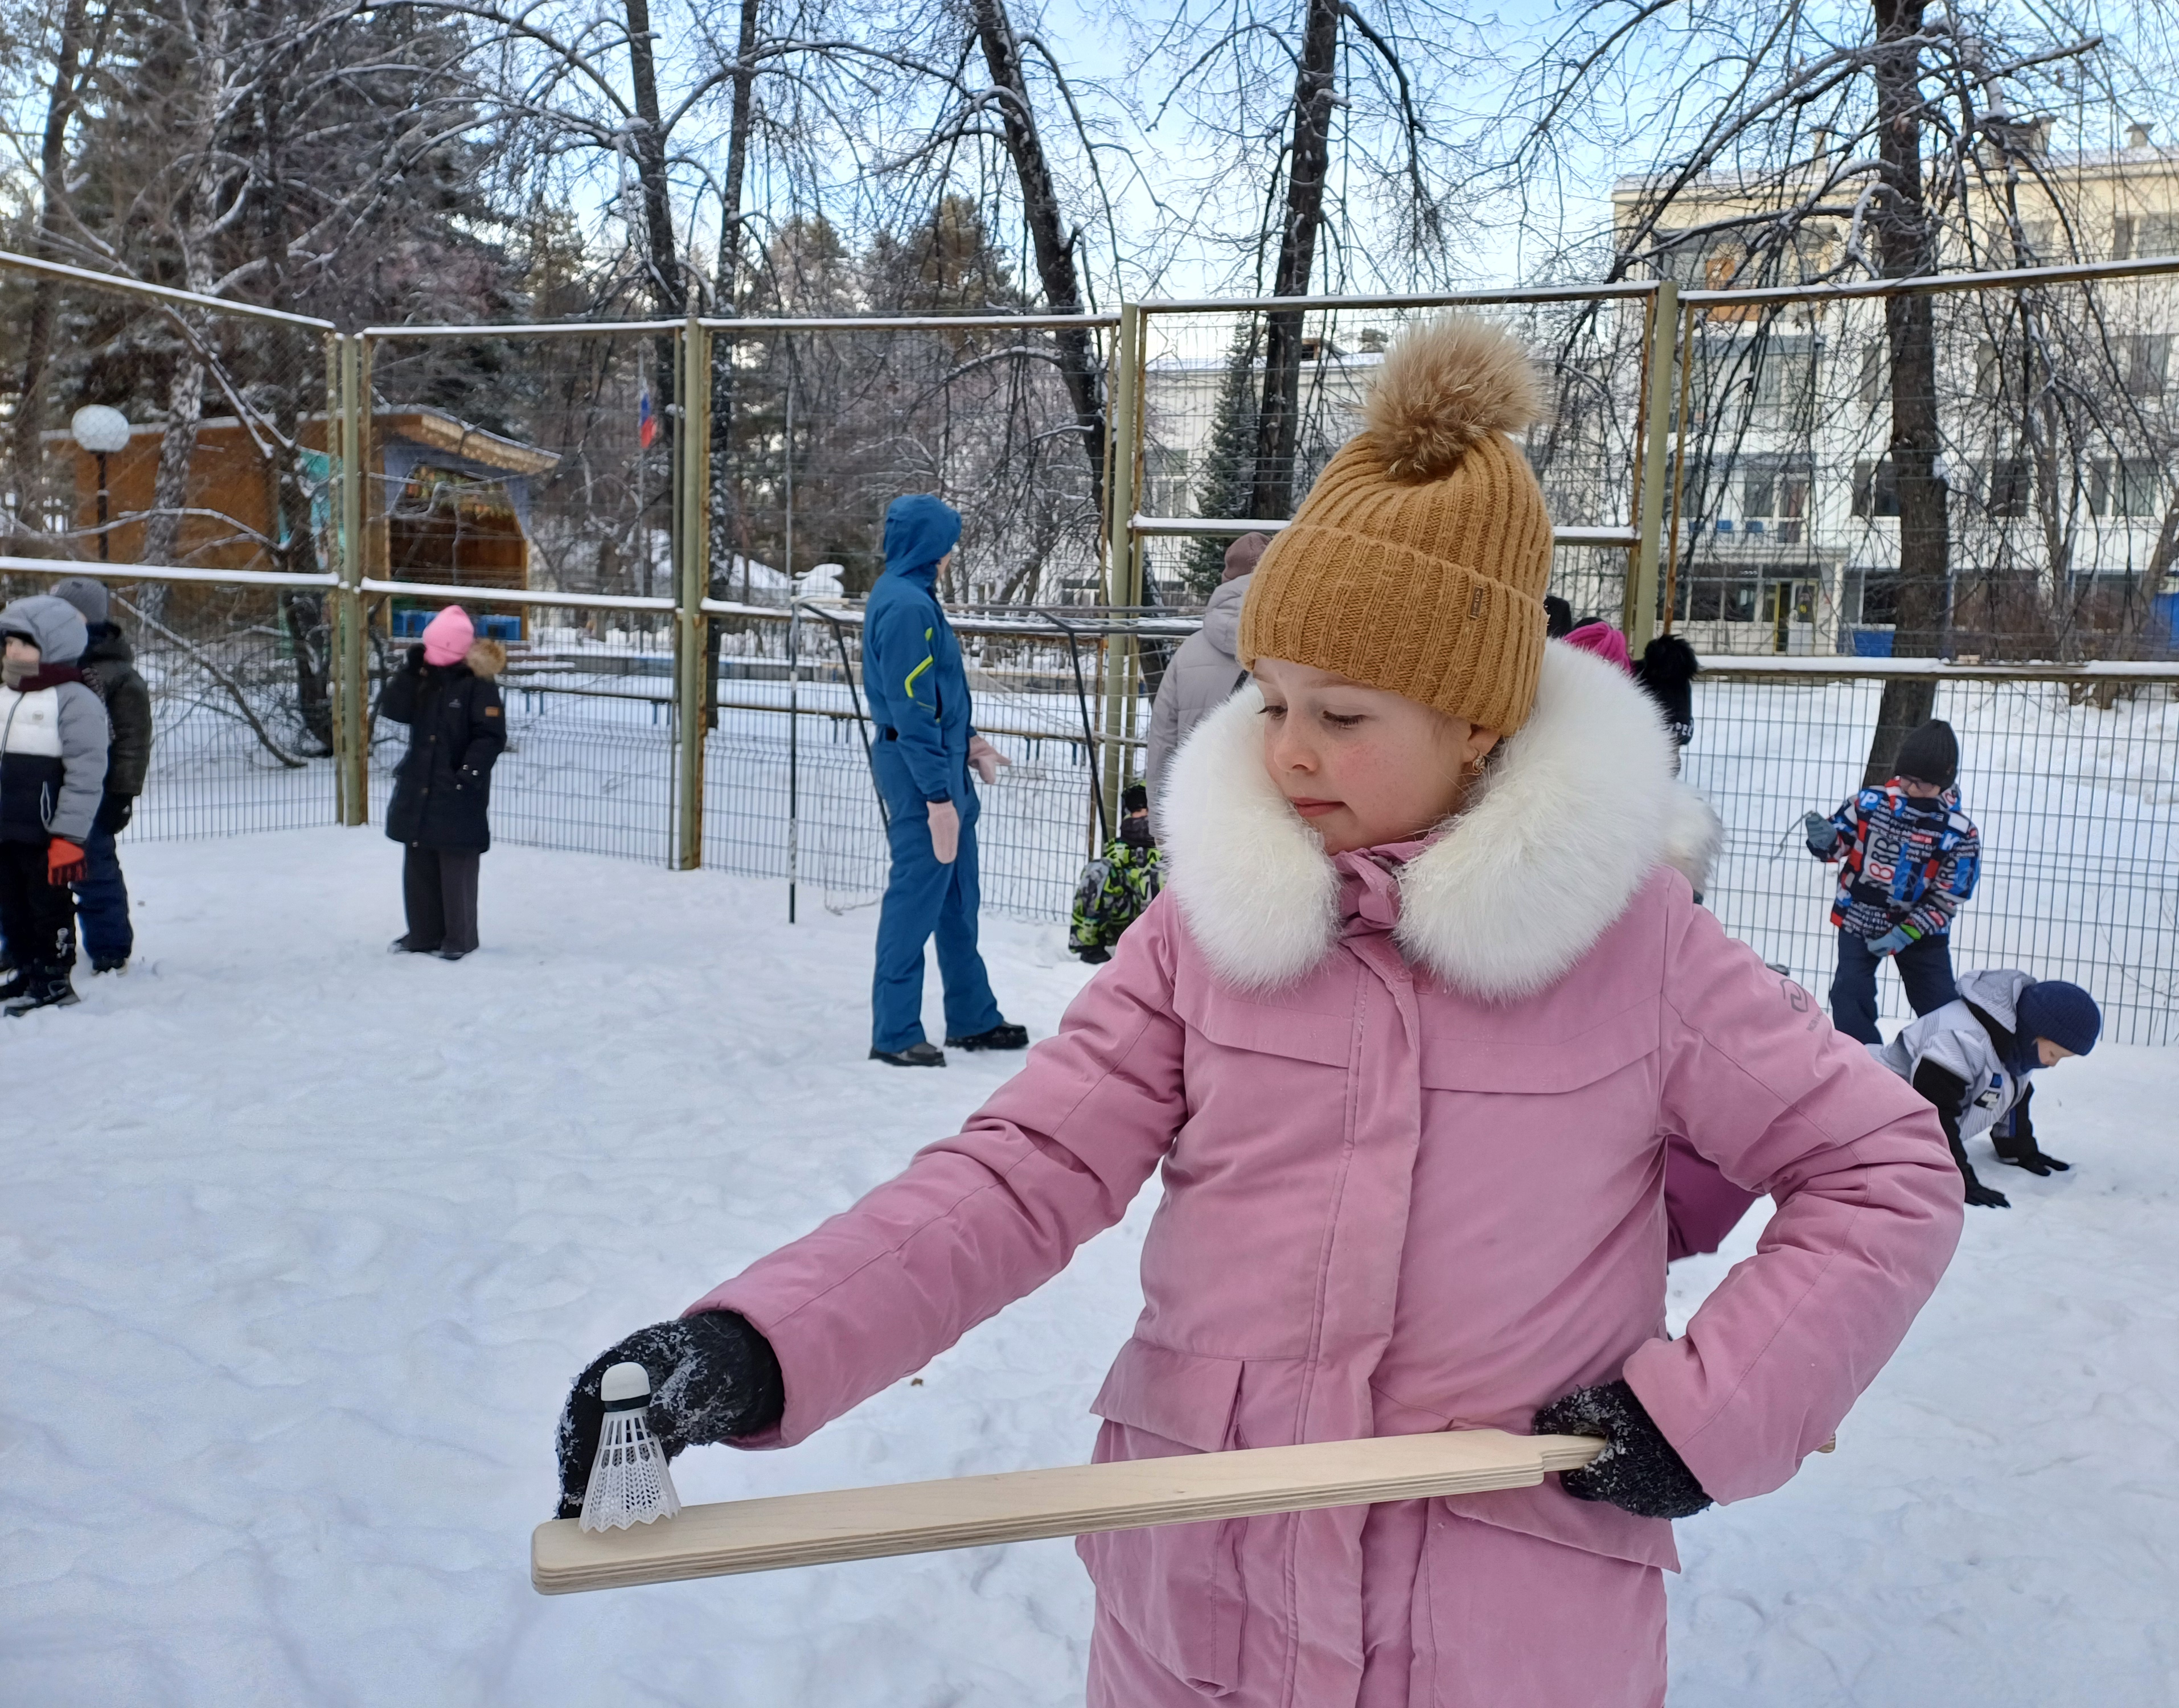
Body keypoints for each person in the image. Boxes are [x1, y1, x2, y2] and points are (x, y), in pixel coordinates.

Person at [552, 317, 1963, 1707]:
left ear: (1478, 723)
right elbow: (1023, 1169)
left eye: (1342, 717)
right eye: (1272, 700)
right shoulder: (1206, 933)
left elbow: (1882, 1165)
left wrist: (1707, 1410)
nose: (1287, 750)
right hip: (1197, 1617)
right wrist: (759, 1344)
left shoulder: (1633, 945)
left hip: (1500, 1636)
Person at [861, 494, 1025, 1066]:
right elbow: (911, 710)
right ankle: (895, 1032)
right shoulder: (906, 606)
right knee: (915, 901)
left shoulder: (914, 596)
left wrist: (970, 741)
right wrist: (936, 797)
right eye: (948, 543)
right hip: (921, 774)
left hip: (943, 764)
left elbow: (937, 694)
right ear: (931, 546)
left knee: (957, 901)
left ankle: (972, 1016)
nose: (953, 553)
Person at [1805, 718, 1980, 1046]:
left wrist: (1907, 933)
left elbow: (1948, 896)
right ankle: (1864, 1059)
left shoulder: (1958, 832)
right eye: (1908, 779)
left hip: (1921, 932)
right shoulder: (1869, 804)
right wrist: (1825, 840)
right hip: (1859, 918)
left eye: (1924, 784)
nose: (1912, 789)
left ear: (1945, 782)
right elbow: (1839, 845)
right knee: (1848, 993)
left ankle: (1955, 1059)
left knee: (1938, 1004)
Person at [1876, 969, 2099, 1210]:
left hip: (1901, 1131)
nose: (2053, 1064)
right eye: (2054, 1054)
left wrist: (2018, 1149)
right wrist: (1957, 1178)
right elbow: (1934, 1117)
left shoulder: (2015, 1048)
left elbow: (2012, 1097)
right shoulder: (1959, 1041)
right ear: (2033, 1032)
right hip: (1872, 1120)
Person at [0, 595, 108, 1014]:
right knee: (12, 906)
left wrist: (69, 835)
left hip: (47, 831)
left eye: (23, 643)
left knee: (47, 908)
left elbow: (86, 772)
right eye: (9, 642)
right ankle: (27, 971)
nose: (12, 651)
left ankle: (54, 979)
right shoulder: (7, 692)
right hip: (7, 826)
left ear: (53, 644)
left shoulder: (74, 699)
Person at [379, 605, 506, 960]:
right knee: (419, 860)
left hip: (458, 790)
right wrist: (410, 671)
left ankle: (458, 939)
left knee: (455, 865)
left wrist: (467, 775)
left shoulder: (478, 683)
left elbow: (490, 736)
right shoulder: (425, 676)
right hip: (420, 783)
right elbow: (395, 709)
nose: (431, 656)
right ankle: (422, 934)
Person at [51, 577, 150, 972]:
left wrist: (122, 794)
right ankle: (33, 944)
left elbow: (132, 741)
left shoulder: (117, 674)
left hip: (94, 791)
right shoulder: (43, 660)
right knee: (33, 873)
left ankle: (110, 947)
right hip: (42, 788)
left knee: (93, 870)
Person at [1145, 531, 1269, 783]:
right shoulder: (1295, 648)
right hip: (1266, 800)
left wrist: (1160, 810)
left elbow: (1163, 744)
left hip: (1197, 796)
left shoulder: (1188, 651)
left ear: (1225, 581)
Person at [1069, 783, 1163, 964]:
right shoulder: (1117, 849)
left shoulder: (1171, 846)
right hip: (1121, 923)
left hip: (1161, 928)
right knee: (1098, 871)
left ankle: (1158, 949)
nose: (1144, 815)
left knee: (1159, 875)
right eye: (1138, 811)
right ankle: (1089, 947)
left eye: (1149, 810)